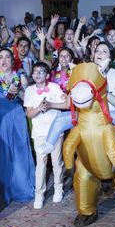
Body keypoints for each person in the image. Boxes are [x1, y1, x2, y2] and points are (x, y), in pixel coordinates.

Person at [0, 48, 35, 204]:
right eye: (0, 58)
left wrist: (17, 92)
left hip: (14, 117)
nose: (3, 60)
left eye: (7, 57)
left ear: (13, 60)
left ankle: (16, 186)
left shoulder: (20, 76)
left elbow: (28, 99)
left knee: (16, 151)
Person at [24, 61, 70, 209]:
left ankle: (58, 188)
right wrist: (39, 108)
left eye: (41, 72)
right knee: (41, 164)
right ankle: (39, 194)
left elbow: (67, 104)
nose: (37, 74)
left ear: (47, 75)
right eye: (35, 72)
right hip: (39, 133)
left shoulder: (54, 88)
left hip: (55, 130)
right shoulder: (29, 91)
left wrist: (50, 105)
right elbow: (29, 114)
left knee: (57, 162)